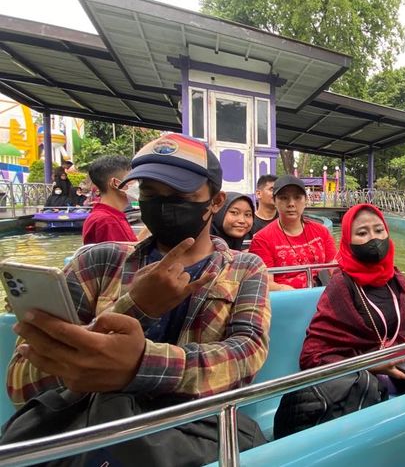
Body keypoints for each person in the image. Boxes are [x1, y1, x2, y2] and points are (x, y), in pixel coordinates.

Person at [8, 133, 271, 411]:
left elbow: (245, 356)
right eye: (150, 194)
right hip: (88, 429)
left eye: (180, 195)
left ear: (215, 202)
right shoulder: (97, 262)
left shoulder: (244, 268)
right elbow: (20, 382)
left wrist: (141, 364)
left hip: (190, 432)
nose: (163, 205)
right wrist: (138, 307)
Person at [299, 203, 405, 386]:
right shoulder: (341, 285)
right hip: (361, 382)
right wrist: (371, 364)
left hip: (400, 366)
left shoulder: (396, 278)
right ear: (348, 241)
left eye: (379, 230)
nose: (373, 239)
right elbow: (312, 356)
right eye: (362, 233)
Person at [249, 174, 336, 290]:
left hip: (322, 295)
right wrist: (285, 290)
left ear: (306, 200)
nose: (291, 204)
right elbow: (265, 282)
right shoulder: (262, 239)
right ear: (274, 201)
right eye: (284, 198)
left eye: (297, 197)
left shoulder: (321, 232)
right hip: (286, 300)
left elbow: (334, 267)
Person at [81, 155, 138, 245]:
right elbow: (125, 257)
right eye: (134, 178)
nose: (138, 183)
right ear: (115, 183)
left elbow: (130, 247)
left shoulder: (112, 215)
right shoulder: (106, 221)